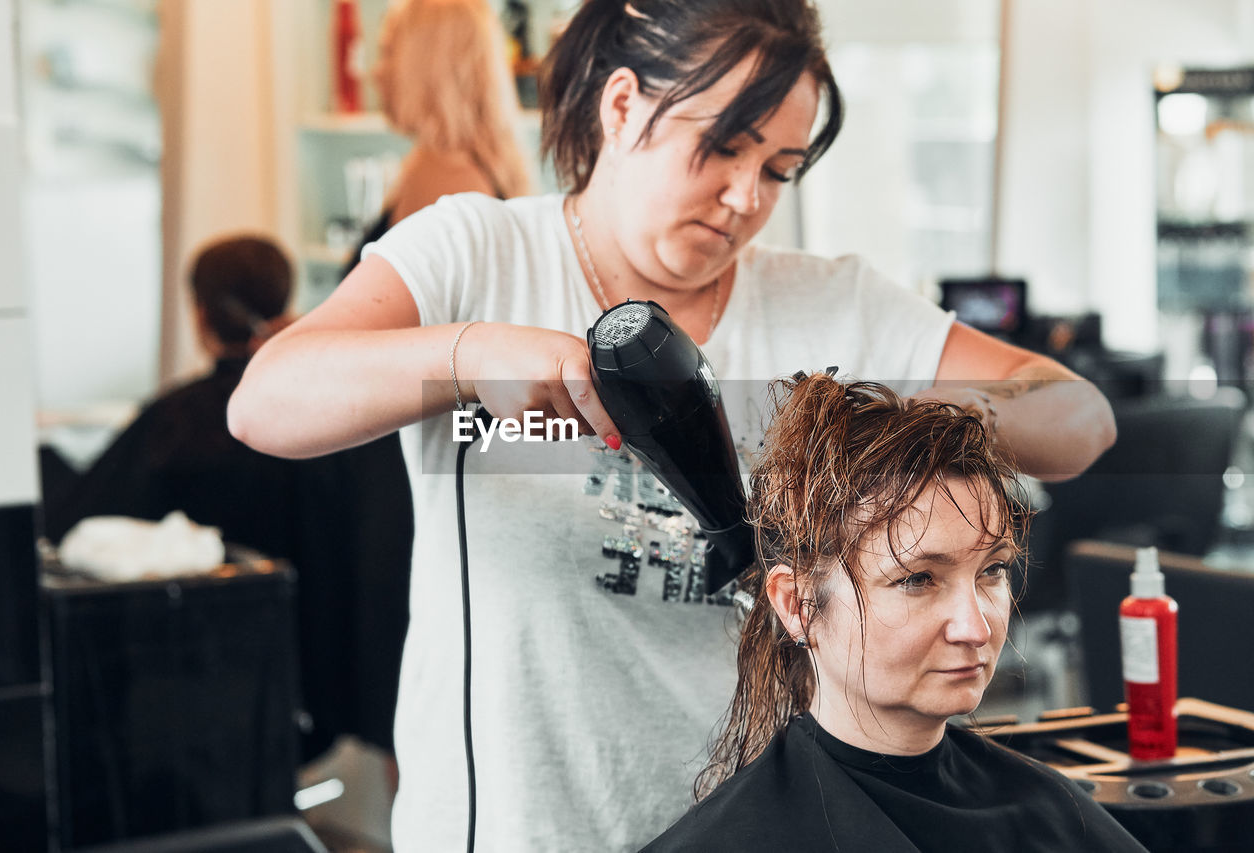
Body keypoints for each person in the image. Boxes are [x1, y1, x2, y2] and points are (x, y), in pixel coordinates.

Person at [227, 1, 1116, 848]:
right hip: (517, 827)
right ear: (623, 105)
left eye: (778, 170)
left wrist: (845, 422)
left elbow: (1077, 420)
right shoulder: (476, 254)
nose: (743, 198)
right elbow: (266, 400)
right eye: (720, 148)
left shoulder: (831, 304)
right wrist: (467, 354)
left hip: (757, 827)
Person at [643, 373, 1146, 852]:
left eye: (991, 570)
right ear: (798, 606)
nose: (975, 628)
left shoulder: (1051, 813)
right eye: (916, 579)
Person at [43, 235, 413, 769]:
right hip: (321, 693)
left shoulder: (176, 425)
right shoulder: (338, 421)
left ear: (200, 316)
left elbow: (72, 520)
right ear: (286, 303)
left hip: (192, 695)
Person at [366, 0, 532, 234]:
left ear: (430, 65)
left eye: (389, 52)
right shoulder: (471, 163)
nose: (376, 71)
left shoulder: (445, 175)